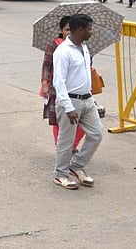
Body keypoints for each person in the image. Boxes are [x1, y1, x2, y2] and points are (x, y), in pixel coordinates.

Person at [52, 13, 103, 190]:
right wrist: (68, 106)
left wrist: (91, 98)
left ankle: (77, 165)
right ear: (80, 30)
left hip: (87, 99)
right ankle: (60, 174)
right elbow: (58, 82)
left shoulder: (85, 47)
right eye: (89, 28)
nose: (91, 32)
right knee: (66, 140)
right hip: (71, 101)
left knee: (96, 134)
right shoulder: (63, 52)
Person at [42, 16, 86, 148]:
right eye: (67, 29)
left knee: (82, 123)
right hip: (57, 89)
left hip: (78, 90)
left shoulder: (82, 46)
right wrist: (45, 84)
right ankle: (60, 147)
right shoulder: (55, 45)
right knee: (58, 121)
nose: (69, 32)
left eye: (72, 29)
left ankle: (72, 147)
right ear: (61, 30)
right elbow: (46, 65)